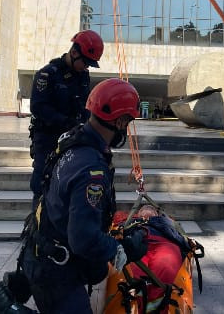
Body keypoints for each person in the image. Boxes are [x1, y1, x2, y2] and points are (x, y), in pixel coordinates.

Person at [19, 78, 148, 313]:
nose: (126, 129)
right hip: (56, 275)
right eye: (127, 122)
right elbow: (83, 238)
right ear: (120, 121)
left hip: (43, 251)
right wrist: (121, 249)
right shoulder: (91, 169)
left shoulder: (73, 140)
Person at [28, 30, 104, 208]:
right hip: (48, 138)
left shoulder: (83, 76)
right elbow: (38, 108)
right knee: (41, 185)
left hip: (73, 139)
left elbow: (85, 106)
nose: (86, 67)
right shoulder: (48, 74)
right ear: (74, 52)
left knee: (69, 183)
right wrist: (67, 123)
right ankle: (35, 229)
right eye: (85, 62)